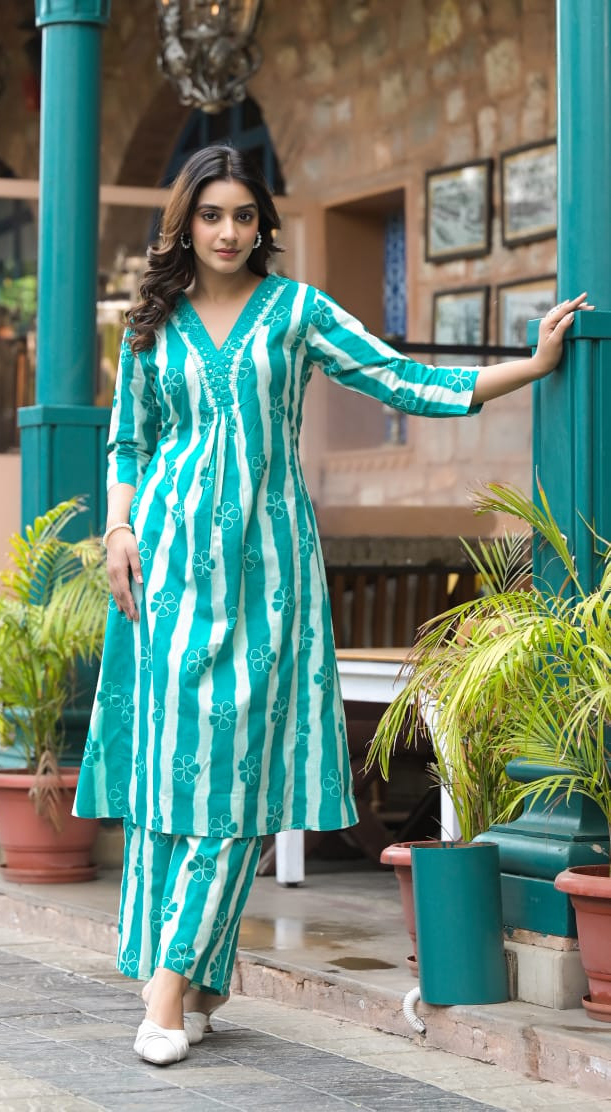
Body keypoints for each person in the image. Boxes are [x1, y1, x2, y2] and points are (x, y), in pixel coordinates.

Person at [73, 143, 591, 1066]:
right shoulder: (151, 325)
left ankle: (166, 989)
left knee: (236, 775)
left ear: (261, 225)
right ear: (185, 223)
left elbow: (398, 378)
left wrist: (529, 365)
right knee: (170, 778)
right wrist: (118, 529)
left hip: (269, 575)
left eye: (244, 215)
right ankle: (198, 977)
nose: (228, 231)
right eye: (211, 215)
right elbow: (129, 443)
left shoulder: (297, 312)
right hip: (168, 572)